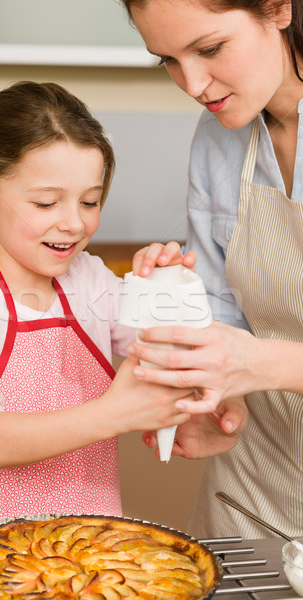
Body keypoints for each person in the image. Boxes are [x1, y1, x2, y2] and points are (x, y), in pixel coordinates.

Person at [0, 80, 212, 538]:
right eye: (45, 202)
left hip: (96, 551)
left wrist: (165, 289)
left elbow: (174, 356)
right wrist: (113, 414)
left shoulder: (90, 278)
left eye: (90, 201)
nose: (74, 222)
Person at [119, 0, 303, 539]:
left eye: (209, 49)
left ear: (278, 8)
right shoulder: (219, 136)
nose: (194, 83)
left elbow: (254, 354)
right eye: (168, 60)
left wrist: (261, 363)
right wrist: (220, 397)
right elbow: (223, 309)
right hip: (255, 486)